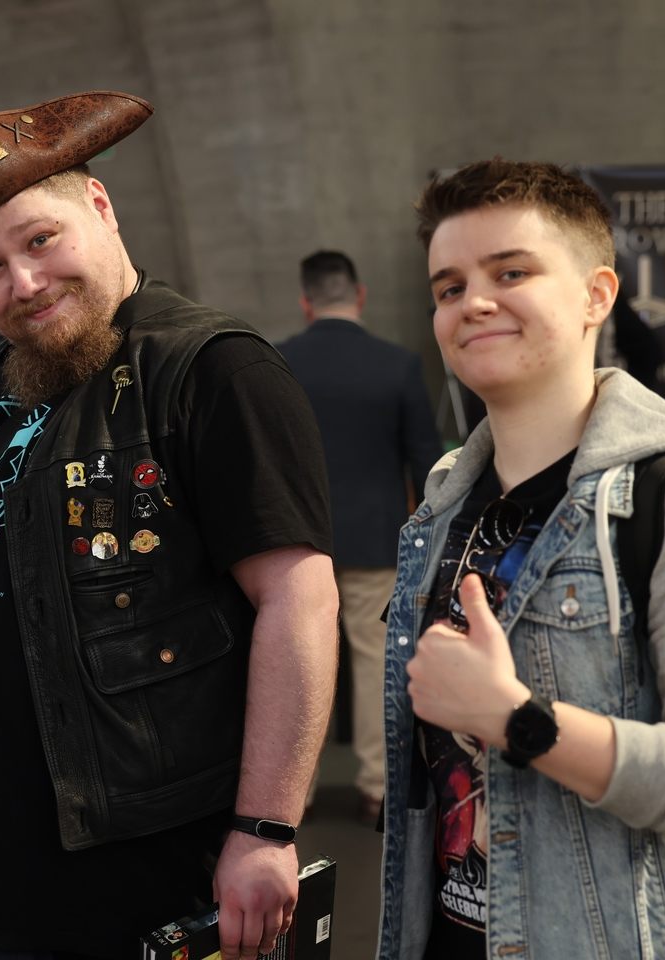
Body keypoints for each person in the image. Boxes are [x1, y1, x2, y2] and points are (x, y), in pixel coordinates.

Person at [0, 90, 339, 960]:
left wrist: (265, 827)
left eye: (41, 240)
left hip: (118, 874)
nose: (23, 283)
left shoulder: (212, 371)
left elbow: (299, 601)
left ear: (101, 207)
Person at [377, 159, 665, 958]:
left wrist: (518, 721)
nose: (474, 302)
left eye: (512, 272)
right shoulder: (443, 504)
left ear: (596, 296)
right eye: (449, 287)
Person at [277, 250, 442, 825]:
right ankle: (377, 787)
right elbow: (427, 462)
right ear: (360, 295)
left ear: (306, 302)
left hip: (298, 545)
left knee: (298, 661)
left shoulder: (278, 361)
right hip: (377, 541)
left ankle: (294, 794)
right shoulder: (397, 365)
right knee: (377, 664)